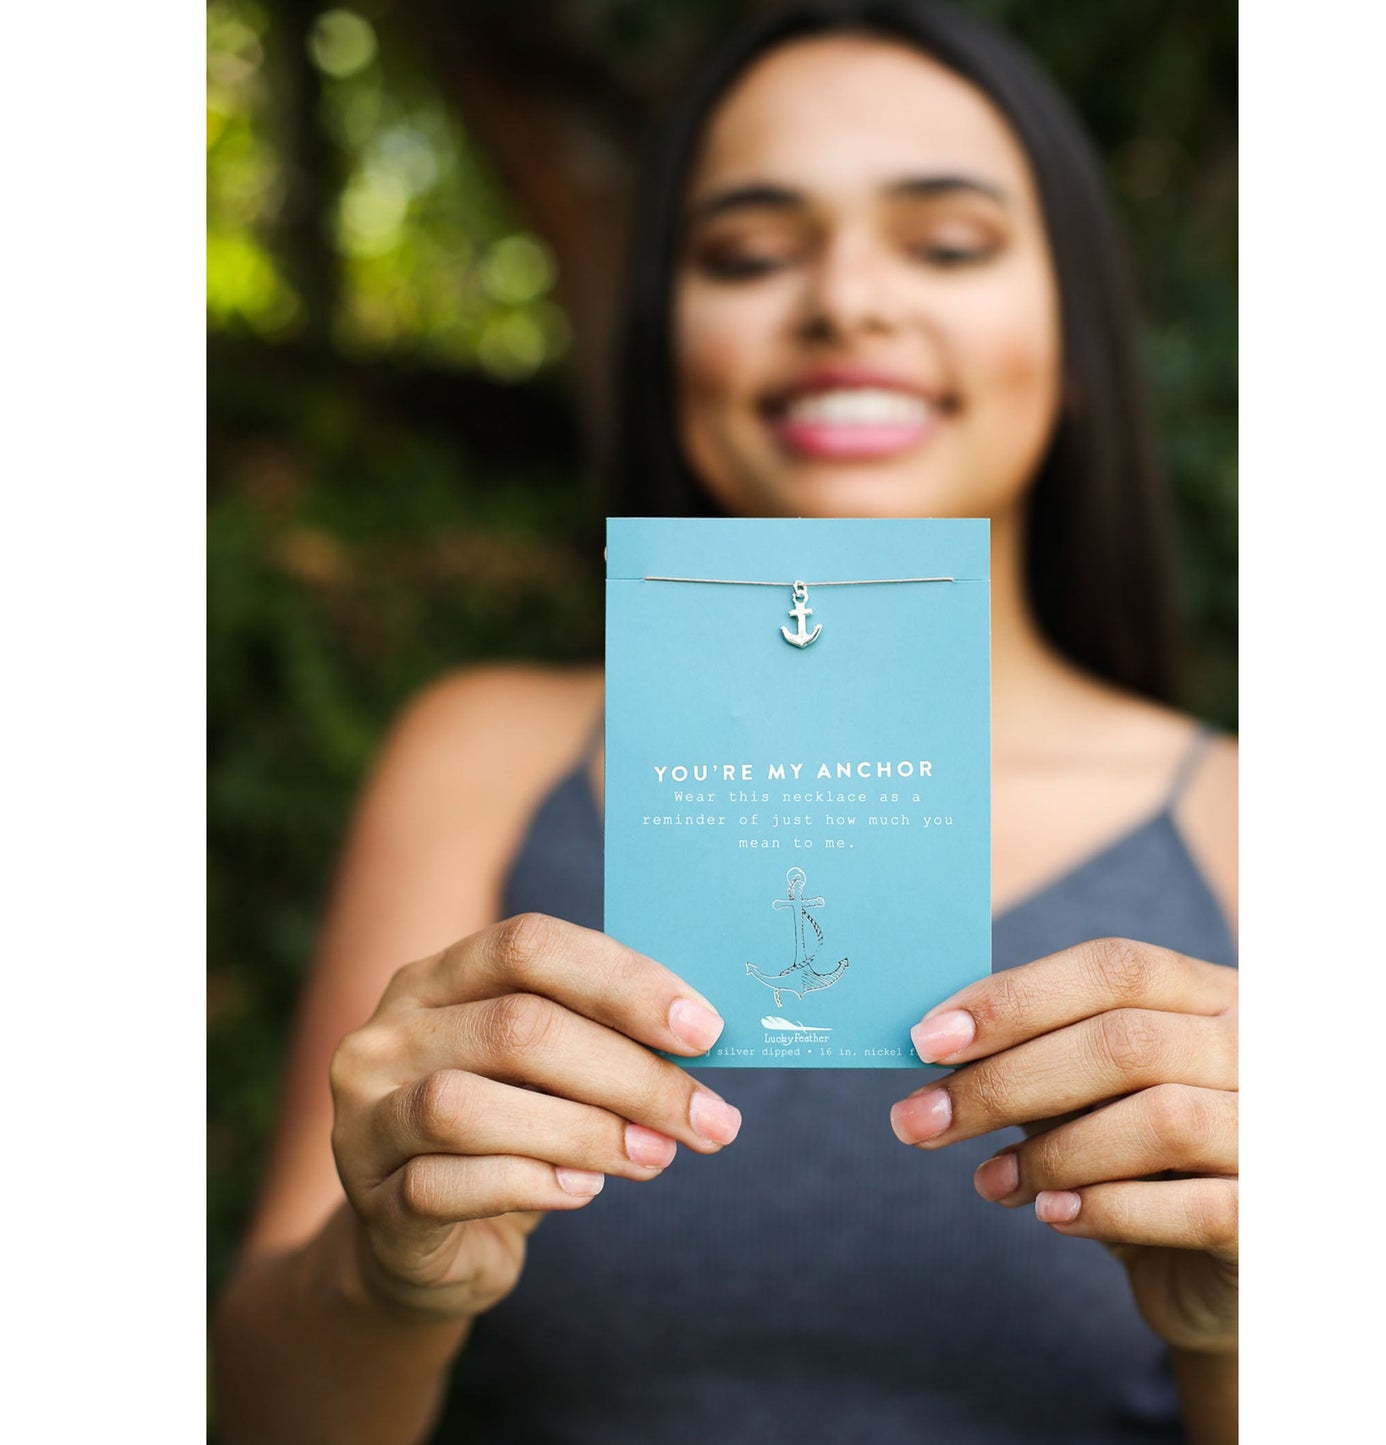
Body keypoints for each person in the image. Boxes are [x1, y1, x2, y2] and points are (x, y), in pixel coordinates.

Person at [210, 2, 1238, 1441]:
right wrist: (385, 1277)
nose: (845, 302)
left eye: (945, 243)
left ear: (1074, 338)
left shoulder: (1248, 822)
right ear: (664, 343)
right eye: (750, 254)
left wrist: (1261, 1321)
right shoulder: (485, 756)